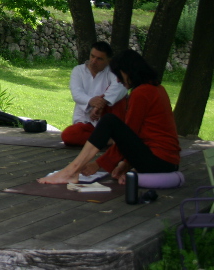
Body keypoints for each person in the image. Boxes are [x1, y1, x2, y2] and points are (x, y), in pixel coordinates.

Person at [38, 49, 181, 185]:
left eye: (119, 75)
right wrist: (125, 164)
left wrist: (98, 164)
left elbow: (130, 132)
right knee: (108, 123)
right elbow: (136, 137)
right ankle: (72, 170)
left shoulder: (142, 93)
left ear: (127, 72)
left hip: (159, 160)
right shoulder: (157, 89)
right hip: (168, 161)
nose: (118, 80)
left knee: (109, 121)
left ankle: (71, 170)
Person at [60, 41, 127, 146]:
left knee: (121, 96)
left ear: (108, 61)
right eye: (92, 56)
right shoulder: (78, 71)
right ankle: (108, 141)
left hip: (106, 120)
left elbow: (121, 87)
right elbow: (77, 93)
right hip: (85, 121)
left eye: (99, 59)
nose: (94, 61)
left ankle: (105, 138)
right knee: (69, 135)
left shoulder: (113, 72)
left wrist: (102, 103)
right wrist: (91, 101)